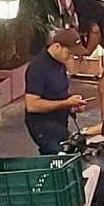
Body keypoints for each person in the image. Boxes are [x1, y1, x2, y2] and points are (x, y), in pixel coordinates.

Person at [23, 27, 84, 155]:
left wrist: (72, 106)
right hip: (43, 126)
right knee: (58, 157)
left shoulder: (60, 63)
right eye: (69, 53)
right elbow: (32, 105)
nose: (70, 57)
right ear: (57, 46)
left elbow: (58, 93)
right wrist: (66, 103)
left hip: (60, 123)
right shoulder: (38, 67)